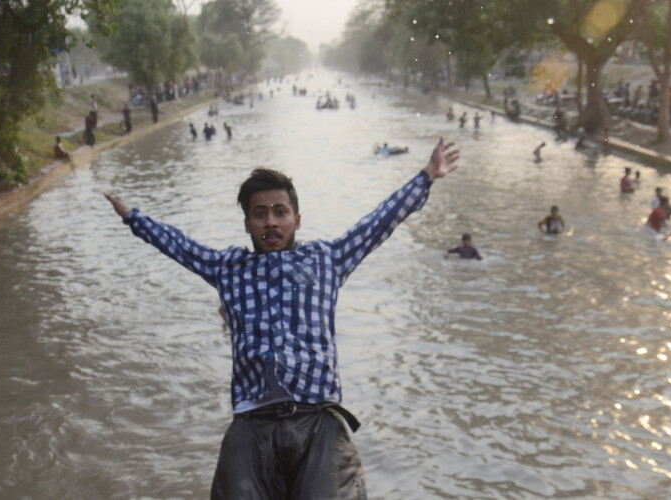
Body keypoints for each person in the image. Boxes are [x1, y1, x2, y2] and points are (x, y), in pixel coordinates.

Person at [103, 137, 460, 499]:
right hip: (252, 421)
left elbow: (378, 223)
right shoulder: (228, 268)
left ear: (296, 220)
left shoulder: (326, 260)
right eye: (260, 214)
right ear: (247, 224)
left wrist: (427, 176)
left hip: (317, 418)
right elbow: (179, 246)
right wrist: (134, 218)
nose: (270, 222)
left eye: (280, 212)